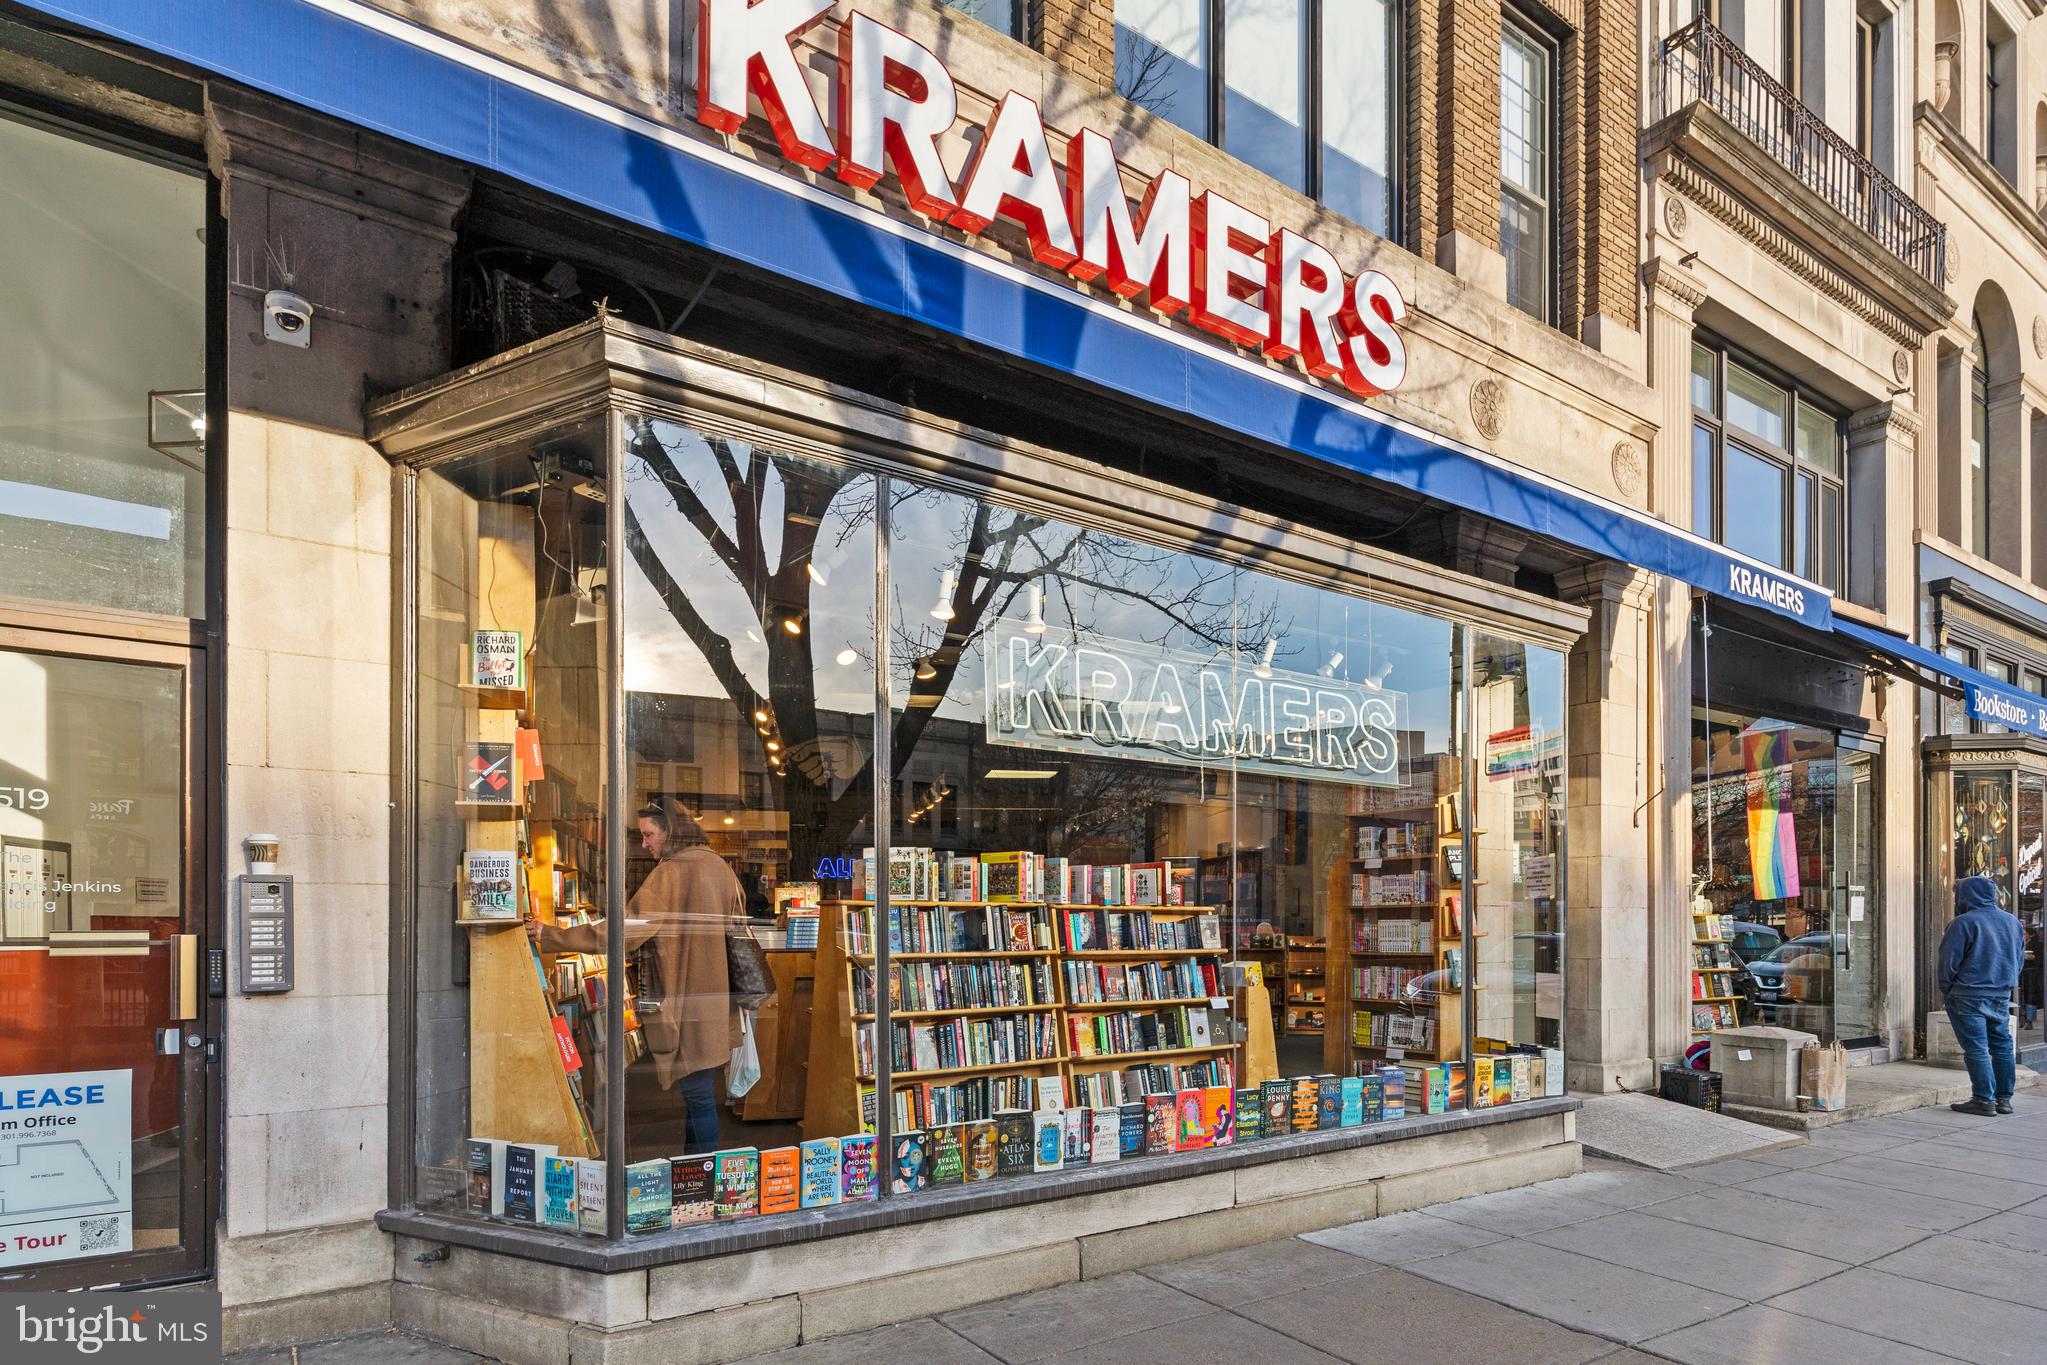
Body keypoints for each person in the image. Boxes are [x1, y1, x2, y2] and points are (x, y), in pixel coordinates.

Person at [528, 804, 742, 1149]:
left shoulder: (672, 873)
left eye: (648, 834)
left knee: (699, 1099)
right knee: (701, 1096)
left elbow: (623, 930)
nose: (644, 844)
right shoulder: (720, 867)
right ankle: (695, 1179)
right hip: (718, 1003)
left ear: (670, 831)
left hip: (686, 1004)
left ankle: (702, 1180)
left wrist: (553, 935)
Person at [1937, 874, 2026, 1116]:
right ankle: (2003, 1099)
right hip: (2000, 994)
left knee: (1976, 1048)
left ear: (1966, 895)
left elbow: (1948, 962)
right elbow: (2018, 961)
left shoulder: (1963, 923)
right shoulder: (2012, 922)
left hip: (1967, 994)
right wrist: (2005, 984)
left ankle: (1983, 1099)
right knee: (2002, 1046)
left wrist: (1947, 988)